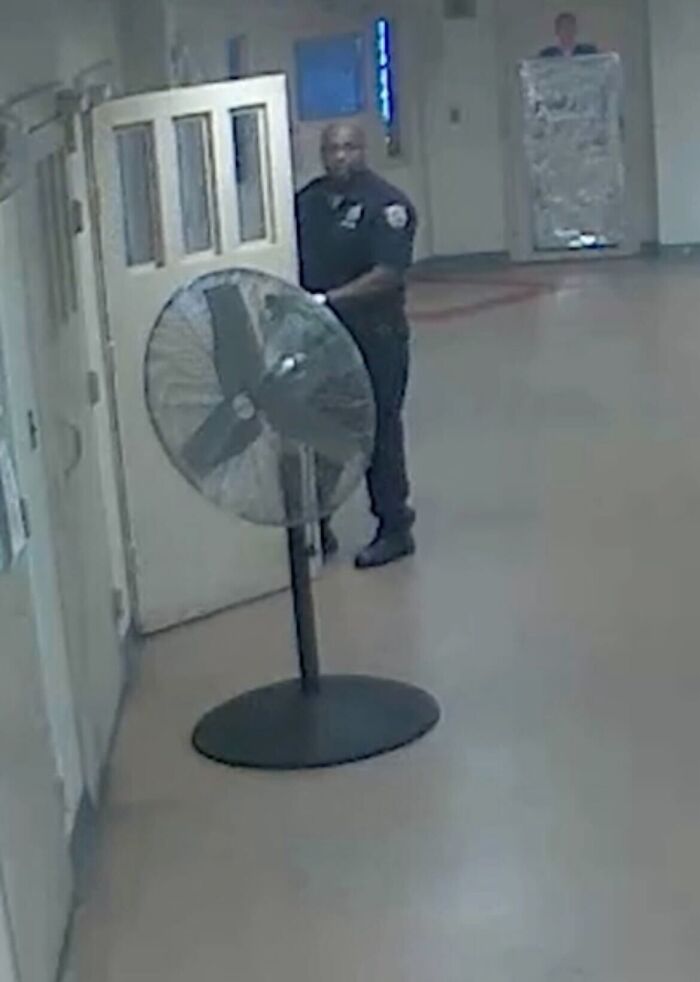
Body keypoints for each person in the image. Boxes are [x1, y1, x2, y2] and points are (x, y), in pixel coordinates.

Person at [296, 122, 417, 570]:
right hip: (320, 338)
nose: (340, 156)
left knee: (379, 431)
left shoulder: (387, 205)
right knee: (317, 429)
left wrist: (328, 300)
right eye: (331, 149)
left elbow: (389, 273)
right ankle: (316, 526)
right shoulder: (307, 203)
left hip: (375, 335)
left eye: (348, 147)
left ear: (363, 150)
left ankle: (394, 528)